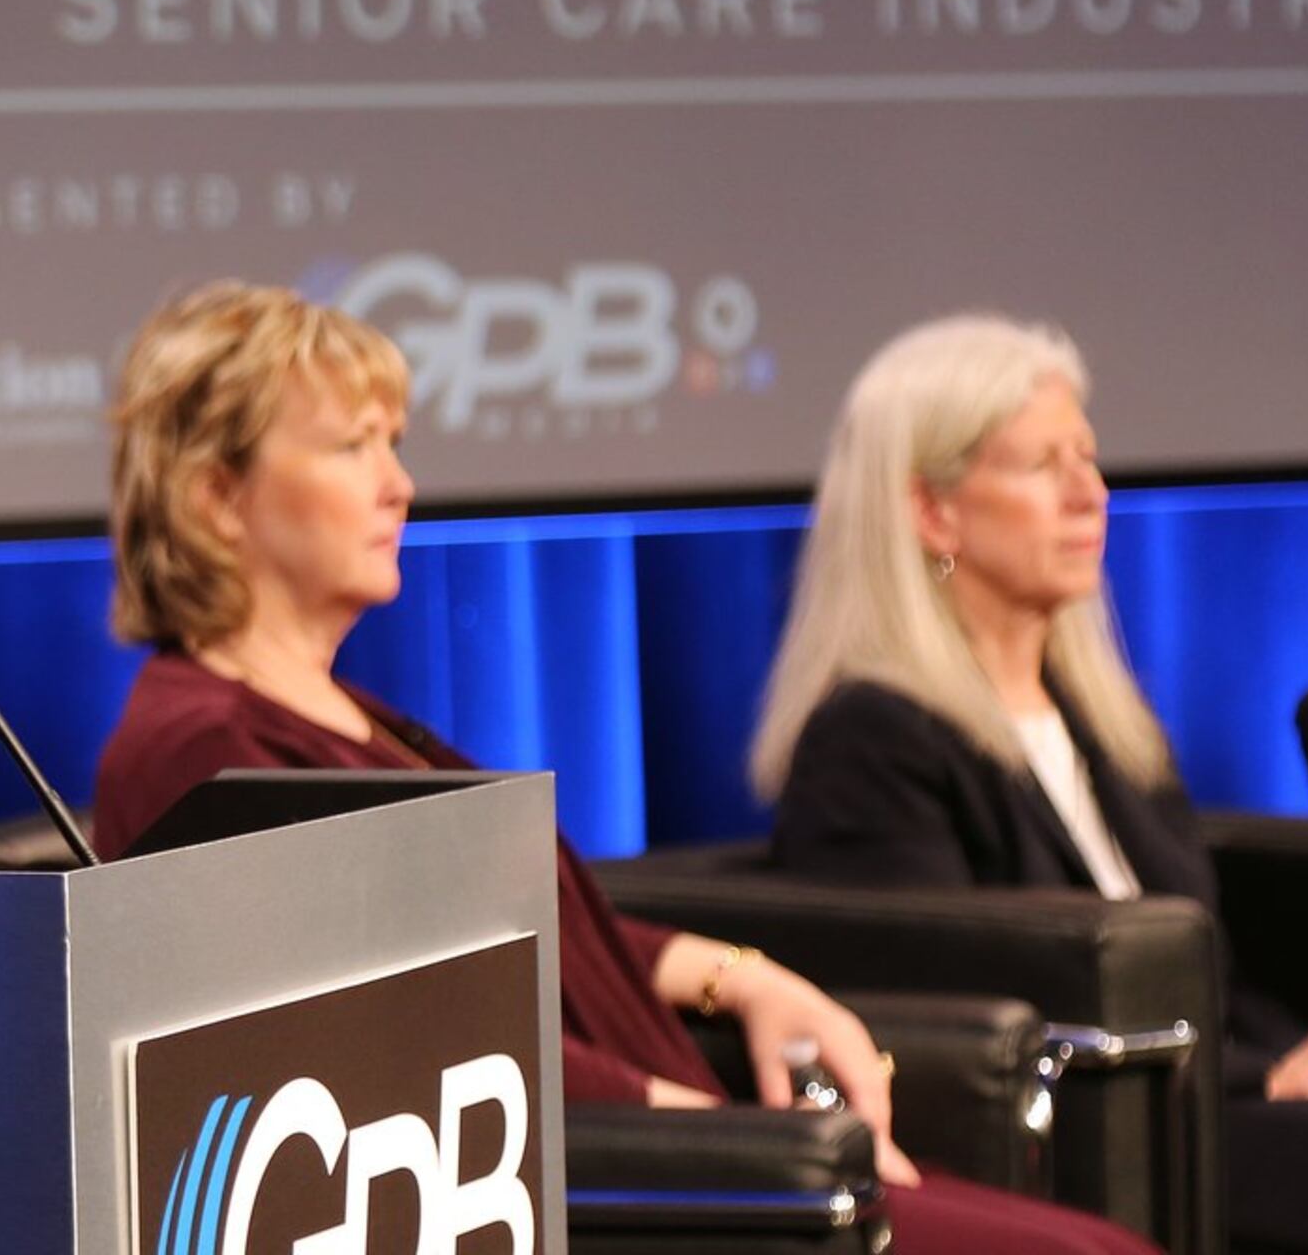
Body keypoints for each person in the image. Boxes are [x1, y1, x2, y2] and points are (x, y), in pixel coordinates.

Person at [90, 282, 1154, 1255]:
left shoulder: (334, 712)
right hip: (590, 1191)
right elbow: (416, 1048)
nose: (398, 485)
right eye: (351, 447)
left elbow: (525, 929)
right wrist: (713, 1131)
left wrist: (741, 976)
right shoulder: (210, 751)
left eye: (395, 443)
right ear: (218, 498)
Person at [754, 313, 1308, 1255]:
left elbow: (1196, 966)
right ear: (933, 511)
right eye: (1039, 466)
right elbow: (971, 1021)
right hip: (1101, 1137)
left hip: (1209, 1102)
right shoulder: (870, 742)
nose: (1087, 494)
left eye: (1088, 458)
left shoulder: (1104, 727)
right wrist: (1273, 1078)